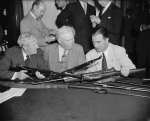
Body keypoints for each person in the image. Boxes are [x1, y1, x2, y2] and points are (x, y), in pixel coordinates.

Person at [133, 0, 150, 78]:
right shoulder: (142, 14)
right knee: (141, 69)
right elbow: (134, 27)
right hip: (142, 46)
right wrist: (141, 27)